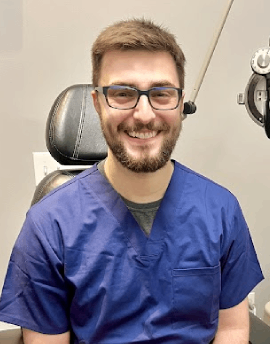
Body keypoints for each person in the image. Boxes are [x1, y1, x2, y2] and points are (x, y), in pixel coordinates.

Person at [0, 18, 264, 344]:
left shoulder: (222, 210)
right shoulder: (48, 226)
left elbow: (232, 330)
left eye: (161, 93)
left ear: (180, 104)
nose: (143, 114)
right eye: (123, 93)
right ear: (97, 104)